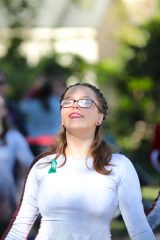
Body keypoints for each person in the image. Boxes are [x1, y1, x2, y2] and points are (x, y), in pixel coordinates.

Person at [2, 83, 156, 240]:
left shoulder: (119, 165)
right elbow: (19, 229)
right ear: (61, 116)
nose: (75, 106)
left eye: (85, 101)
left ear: (99, 117)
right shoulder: (43, 165)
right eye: (68, 101)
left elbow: (140, 231)